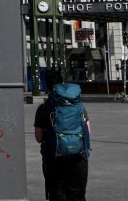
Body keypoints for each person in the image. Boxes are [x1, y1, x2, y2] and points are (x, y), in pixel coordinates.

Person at [34, 68, 90, 201]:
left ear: (47, 86)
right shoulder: (79, 106)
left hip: (54, 157)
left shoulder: (44, 107)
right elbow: (87, 129)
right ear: (62, 83)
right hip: (78, 156)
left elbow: (39, 137)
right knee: (77, 196)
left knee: (57, 195)